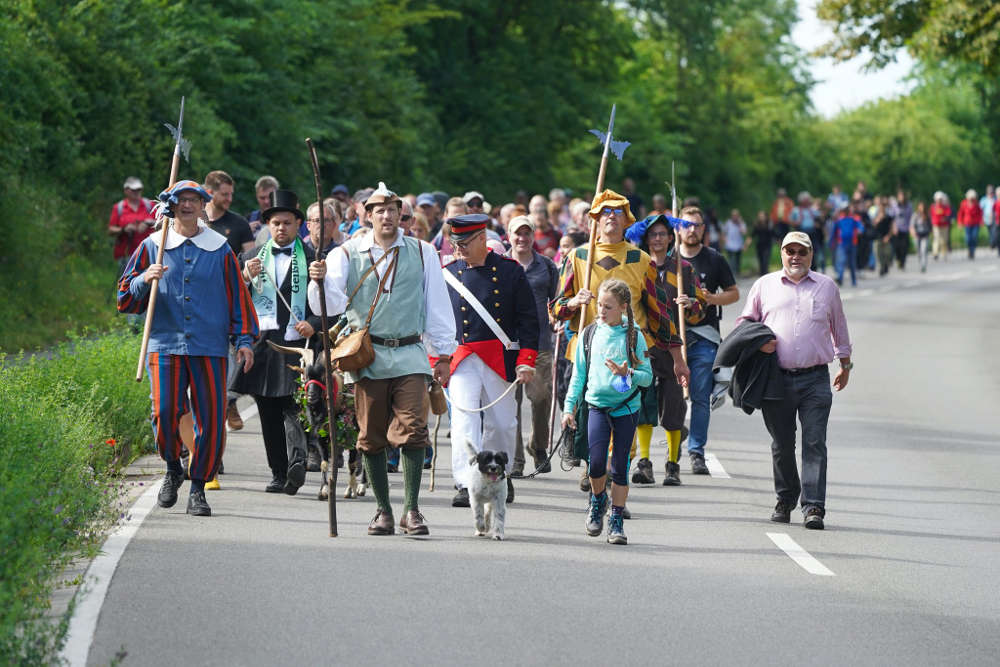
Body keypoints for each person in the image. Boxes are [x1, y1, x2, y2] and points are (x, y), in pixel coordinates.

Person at [307, 182, 456, 535]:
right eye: (380, 210)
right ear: (367, 215)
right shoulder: (346, 253)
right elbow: (326, 304)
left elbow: (436, 302)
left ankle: (412, 510)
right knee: (371, 436)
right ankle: (383, 510)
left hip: (410, 354)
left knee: (414, 431)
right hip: (368, 355)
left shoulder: (422, 252)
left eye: (393, 210)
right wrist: (319, 280)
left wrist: (444, 352)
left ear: (401, 215)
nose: (387, 216)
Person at [117, 180, 258, 517]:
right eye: (181, 200)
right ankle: (172, 467)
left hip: (209, 347)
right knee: (164, 412)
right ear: (171, 205)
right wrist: (143, 279)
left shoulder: (220, 247)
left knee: (210, 419)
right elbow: (124, 295)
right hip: (165, 344)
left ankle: (198, 487)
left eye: (194, 200)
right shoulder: (153, 245)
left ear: (202, 204)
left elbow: (237, 295)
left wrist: (244, 340)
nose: (188, 205)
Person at [550, 190, 689, 490]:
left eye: (617, 212)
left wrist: (678, 359)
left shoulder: (641, 260)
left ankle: (615, 481)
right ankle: (593, 469)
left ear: (627, 220)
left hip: (631, 355)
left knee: (625, 423)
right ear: (594, 221)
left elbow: (660, 313)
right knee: (588, 422)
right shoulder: (578, 257)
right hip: (587, 354)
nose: (610, 216)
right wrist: (574, 303)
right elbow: (556, 310)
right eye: (604, 212)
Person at [735, 231, 852, 530]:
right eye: (790, 251)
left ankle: (813, 506)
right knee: (782, 444)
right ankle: (785, 498)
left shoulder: (826, 287)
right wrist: (759, 343)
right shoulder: (765, 285)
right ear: (782, 254)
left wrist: (846, 363)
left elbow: (839, 326)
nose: (795, 257)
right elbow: (745, 324)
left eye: (802, 251)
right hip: (776, 379)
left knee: (815, 443)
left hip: (815, 378)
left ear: (811, 255)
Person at [444, 214, 539, 507]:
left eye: (464, 243)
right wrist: (438, 359)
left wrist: (526, 358)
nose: (458, 249)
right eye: (454, 243)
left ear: (483, 239)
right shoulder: (447, 273)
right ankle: (465, 481)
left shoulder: (510, 272)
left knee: (503, 423)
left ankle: (500, 476)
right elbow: (437, 319)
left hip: (501, 355)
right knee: (463, 420)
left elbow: (528, 318)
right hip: (462, 357)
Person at [231, 190, 322, 495]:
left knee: (295, 407)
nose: (281, 228)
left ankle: (297, 461)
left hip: (298, 345)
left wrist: (315, 323)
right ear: (267, 226)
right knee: (268, 411)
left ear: (299, 225)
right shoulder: (250, 258)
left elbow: (332, 306)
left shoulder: (313, 260)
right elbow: (232, 300)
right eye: (275, 223)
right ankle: (278, 472)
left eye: (287, 222)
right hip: (264, 346)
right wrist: (245, 277)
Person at [561, 279, 652, 545]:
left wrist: (629, 373)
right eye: (599, 305)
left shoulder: (634, 335)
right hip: (596, 406)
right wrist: (569, 408)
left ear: (623, 307)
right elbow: (578, 376)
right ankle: (598, 500)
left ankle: (616, 518)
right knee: (597, 462)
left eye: (608, 307)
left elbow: (647, 378)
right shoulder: (589, 333)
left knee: (621, 467)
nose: (601, 310)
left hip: (626, 407)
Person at [625, 215, 705, 486]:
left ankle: (672, 464)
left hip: (674, 344)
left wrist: (690, 303)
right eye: (653, 235)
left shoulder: (683, 270)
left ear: (671, 238)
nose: (657, 239)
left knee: (674, 405)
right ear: (646, 239)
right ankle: (644, 463)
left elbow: (700, 309)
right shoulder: (637, 266)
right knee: (644, 404)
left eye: (662, 234)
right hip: (645, 344)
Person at [675, 205, 738, 475]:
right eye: (687, 225)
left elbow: (733, 293)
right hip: (673, 337)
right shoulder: (668, 258)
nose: (692, 230)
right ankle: (674, 439)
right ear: (677, 229)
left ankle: (696, 451)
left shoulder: (714, 259)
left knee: (700, 394)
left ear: (704, 229)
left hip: (704, 335)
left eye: (697, 225)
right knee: (672, 396)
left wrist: (709, 298)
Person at [506, 215, 560, 477]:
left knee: (541, 398)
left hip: (539, 344)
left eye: (527, 233)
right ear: (509, 236)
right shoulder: (501, 265)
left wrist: (559, 316)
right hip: (507, 345)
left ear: (533, 237)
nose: (522, 238)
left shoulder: (547, 266)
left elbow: (557, 301)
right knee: (510, 406)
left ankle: (538, 446)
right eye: (517, 233)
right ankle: (515, 459)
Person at [109, 176, 156, 331]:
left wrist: (147, 223)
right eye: (134, 190)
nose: (137, 192)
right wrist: (124, 229)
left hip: (148, 254)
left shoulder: (149, 205)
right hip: (127, 255)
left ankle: (142, 323)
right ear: (126, 190)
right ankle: (132, 324)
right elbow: (111, 229)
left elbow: (161, 223)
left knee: (146, 285)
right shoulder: (120, 208)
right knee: (129, 285)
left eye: (139, 189)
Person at [830, 205, 863, 286]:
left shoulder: (854, 218)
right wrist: (831, 242)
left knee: (852, 263)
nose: (846, 211)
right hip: (842, 243)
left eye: (847, 209)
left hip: (852, 243)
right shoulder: (839, 220)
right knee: (841, 261)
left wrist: (860, 230)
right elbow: (834, 232)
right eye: (844, 209)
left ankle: (853, 280)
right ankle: (840, 278)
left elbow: (860, 226)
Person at [957, 189, 983, 260]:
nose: (971, 199)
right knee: (968, 238)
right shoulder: (964, 204)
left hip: (975, 224)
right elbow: (960, 214)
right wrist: (959, 222)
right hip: (967, 223)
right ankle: (969, 249)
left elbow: (980, 213)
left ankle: (972, 251)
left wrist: (981, 221)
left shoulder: (976, 204)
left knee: (974, 237)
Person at [722, 208, 749, 275]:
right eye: (733, 215)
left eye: (736, 215)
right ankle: (732, 273)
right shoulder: (728, 223)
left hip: (738, 245)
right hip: (729, 245)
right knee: (731, 260)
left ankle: (737, 273)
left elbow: (744, 232)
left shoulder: (741, 223)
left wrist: (740, 223)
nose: (735, 217)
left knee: (737, 260)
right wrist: (725, 241)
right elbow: (724, 233)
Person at [873, 198, 895, 276]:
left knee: (887, 253)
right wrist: (878, 219)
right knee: (878, 254)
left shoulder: (888, 217)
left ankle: (886, 265)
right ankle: (882, 267)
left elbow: (891, 228)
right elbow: (873, 225)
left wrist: (888, 236)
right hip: (878, 237)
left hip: (886, 237)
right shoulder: (876, 216)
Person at [909, 202, 931, 272]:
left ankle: (923, 265)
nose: (922, 208)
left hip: (925, 235)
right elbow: (911, 225)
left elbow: (930, 226)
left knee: (923, 250)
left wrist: (930, 232)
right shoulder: (915, 215)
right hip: (917, 235)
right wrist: (913, 232)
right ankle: (920, 263)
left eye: (923, 207)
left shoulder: (927, 215)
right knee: (919, 252)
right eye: (920, 207)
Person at [929, 192, 952, 260]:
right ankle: (935, 253)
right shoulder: (933, 206)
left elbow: (948, 214)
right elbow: (931, 215)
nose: (939, 200)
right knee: (936, 238)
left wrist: (945, 218)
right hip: (936, 225)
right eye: (938, 199)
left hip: (944, 225)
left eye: (940, 199)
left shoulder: (945, 207)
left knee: (944, 240)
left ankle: (944, 252)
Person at [751, 211, 773, 276]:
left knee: (765, 260)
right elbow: (752, 235)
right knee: (760, 260)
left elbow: (774, 234)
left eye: (762, 216)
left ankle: (765, 274)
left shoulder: (769, 225)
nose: (761, 217)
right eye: (760, 216)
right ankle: (761, 274)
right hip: (759, 245)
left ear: (766, 217)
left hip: (767, 245)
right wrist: (746, 245)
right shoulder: (757, 225)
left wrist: (780, 243)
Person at [980, 185, 996, 250]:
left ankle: (992, 243)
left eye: (991, 192)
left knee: (994, 232)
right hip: (986, 218)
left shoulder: (995, 199)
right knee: (990, 232)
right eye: (989, 192)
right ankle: (991, 243)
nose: (990, 194)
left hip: (994, 218)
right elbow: (980, 209)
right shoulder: (984, 200)